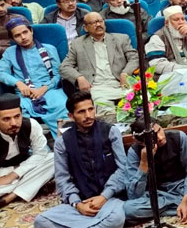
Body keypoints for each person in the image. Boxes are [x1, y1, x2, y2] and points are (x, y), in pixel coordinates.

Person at [33, 91, 127, 228]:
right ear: (71, 116)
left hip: (109, 199)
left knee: (116, 219)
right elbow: (62, 179)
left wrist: (104, 196)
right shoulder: (62, 142)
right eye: (81, 112)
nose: (88, 115)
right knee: (41, 221)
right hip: (81, 203)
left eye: (90, 109)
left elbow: (123, 169)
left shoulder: (111, 131)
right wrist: (77, 204)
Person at [123, 117, 187, 223]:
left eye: (159, 130)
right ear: (141, 142)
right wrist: (144, 163)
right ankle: (177, 207)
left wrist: (185, 200)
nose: (159, 137)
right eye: (153, 137)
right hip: (158, 194)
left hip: (183, 187)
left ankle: (164, 210)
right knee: (129, 209)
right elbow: (134, 195)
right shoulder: (135, 152)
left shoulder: (178, 137)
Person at [0, 17, 67, 138]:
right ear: (12, 39)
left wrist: (44, 88)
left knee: (62, 105)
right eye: (17, 35)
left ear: (31, 31)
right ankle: (33, 147)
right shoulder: (10, 52)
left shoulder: (49, 49)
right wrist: (18, 83)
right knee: (15, 113)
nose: (23, 37)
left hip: (49, 90)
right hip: (24, 94)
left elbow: (58, 74)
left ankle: (63, 143)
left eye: (25, 32)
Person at [0, 94, 54, 210]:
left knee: (53, 158)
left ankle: (9, 197)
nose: (14, 123)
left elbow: (41, 154)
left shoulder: (31, 125)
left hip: (25, 172)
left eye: (17, 116)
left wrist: (14, 174)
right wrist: (11, 172)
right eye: (6, 119)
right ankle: (32, 186)